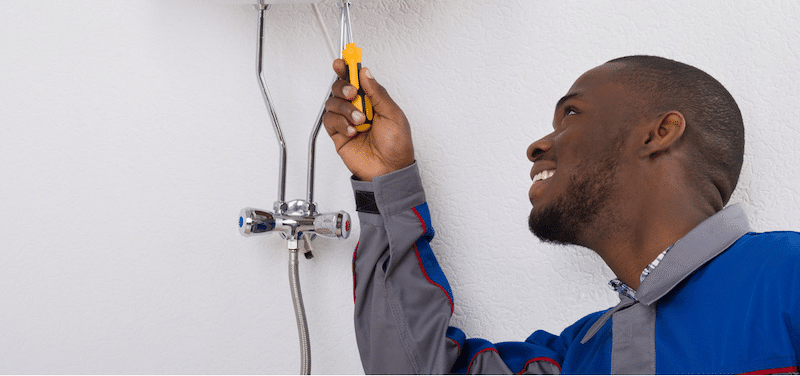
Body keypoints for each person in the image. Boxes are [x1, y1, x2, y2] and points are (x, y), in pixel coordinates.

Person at [323, 55, 800, 374]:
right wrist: (388, 181)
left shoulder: (787, 277)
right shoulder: (580, 354)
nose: (537, 145)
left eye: (571, 114)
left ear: (660, 133)